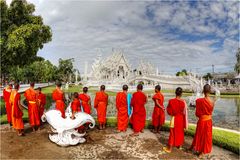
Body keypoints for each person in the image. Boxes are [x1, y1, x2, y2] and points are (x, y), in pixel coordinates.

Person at [189, 84, 215, 158]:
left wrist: (201, 116)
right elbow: (211, 112)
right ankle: (202, 152)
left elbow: (197, 114)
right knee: (206, 136)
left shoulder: (198, 101)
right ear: (210, 91)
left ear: (203, 91)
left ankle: (199, 150)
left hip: (202, 120)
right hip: (209, 120)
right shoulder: (212, 102)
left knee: (199, 135)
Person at [163, 87, 188, 153]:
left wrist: (172, 113)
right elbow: (185, 111)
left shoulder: (171, 101)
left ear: (175, 93)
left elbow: (168, 111)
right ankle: (179, 146)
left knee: (172, 133)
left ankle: (170, 149)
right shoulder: (183, 102)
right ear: (181, 94)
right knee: (180, 132)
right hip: (181, 119)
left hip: (174, 119)